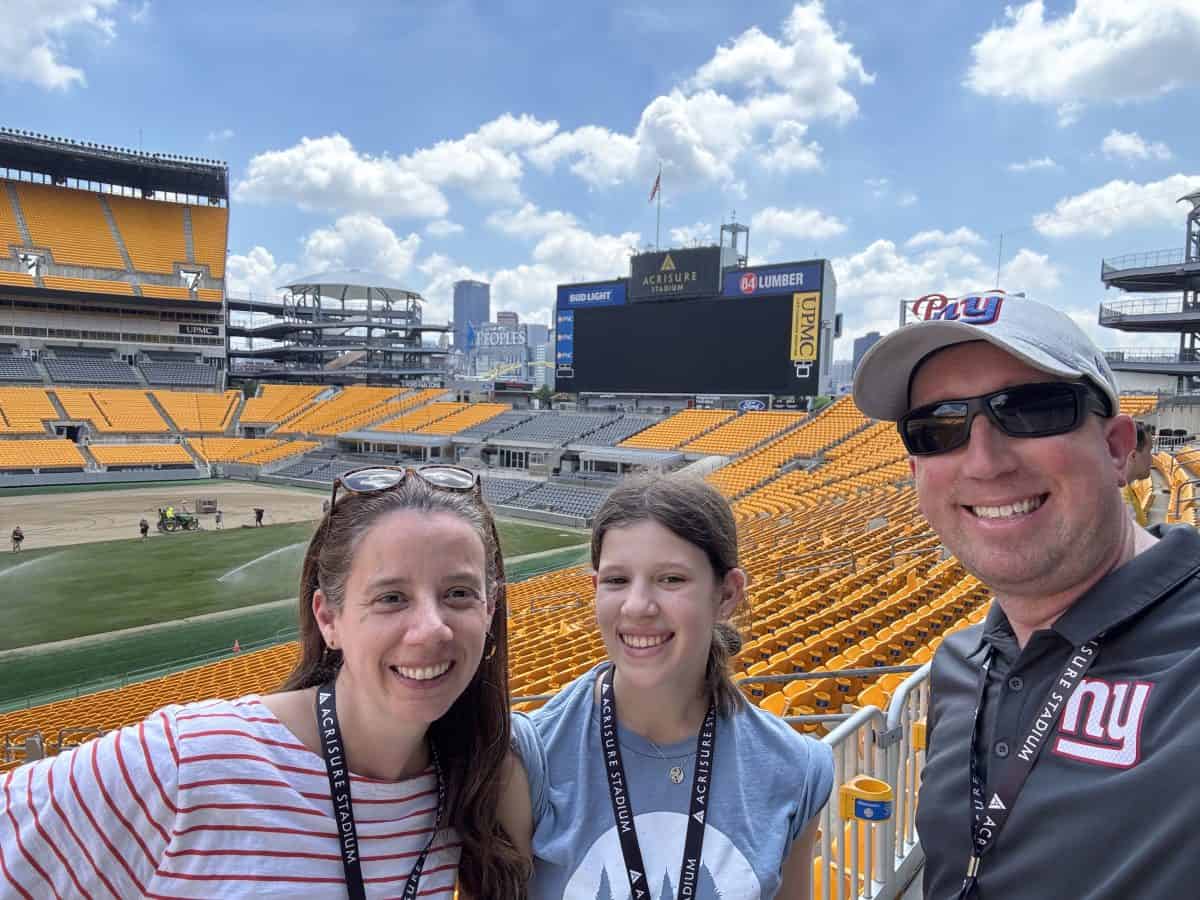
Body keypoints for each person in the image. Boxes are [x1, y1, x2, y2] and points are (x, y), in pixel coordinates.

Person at [0, 466, 527, 898]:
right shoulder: (186, 761)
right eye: (391, 597)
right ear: (329, 619)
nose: (432, 627)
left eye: (459, 593)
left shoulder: (480, 782)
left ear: (490, 609)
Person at [853, 295, 1200, 899]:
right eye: (939, 428)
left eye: (1032, 410)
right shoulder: (961, 664)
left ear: (1118, 449)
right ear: (915, 475)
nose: (984, 462)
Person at [502, 474, 834, 898]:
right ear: (595, 588)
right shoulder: (527, 759)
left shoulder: (795, 769)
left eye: (671, 579)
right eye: (617, 580)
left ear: (727, 594)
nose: (638, 605)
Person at [1122, 422, 1154, 526]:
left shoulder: (1124, 490)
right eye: (1149, 451)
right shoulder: (1122, 504)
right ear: (1134, 456)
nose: (1152, 459)